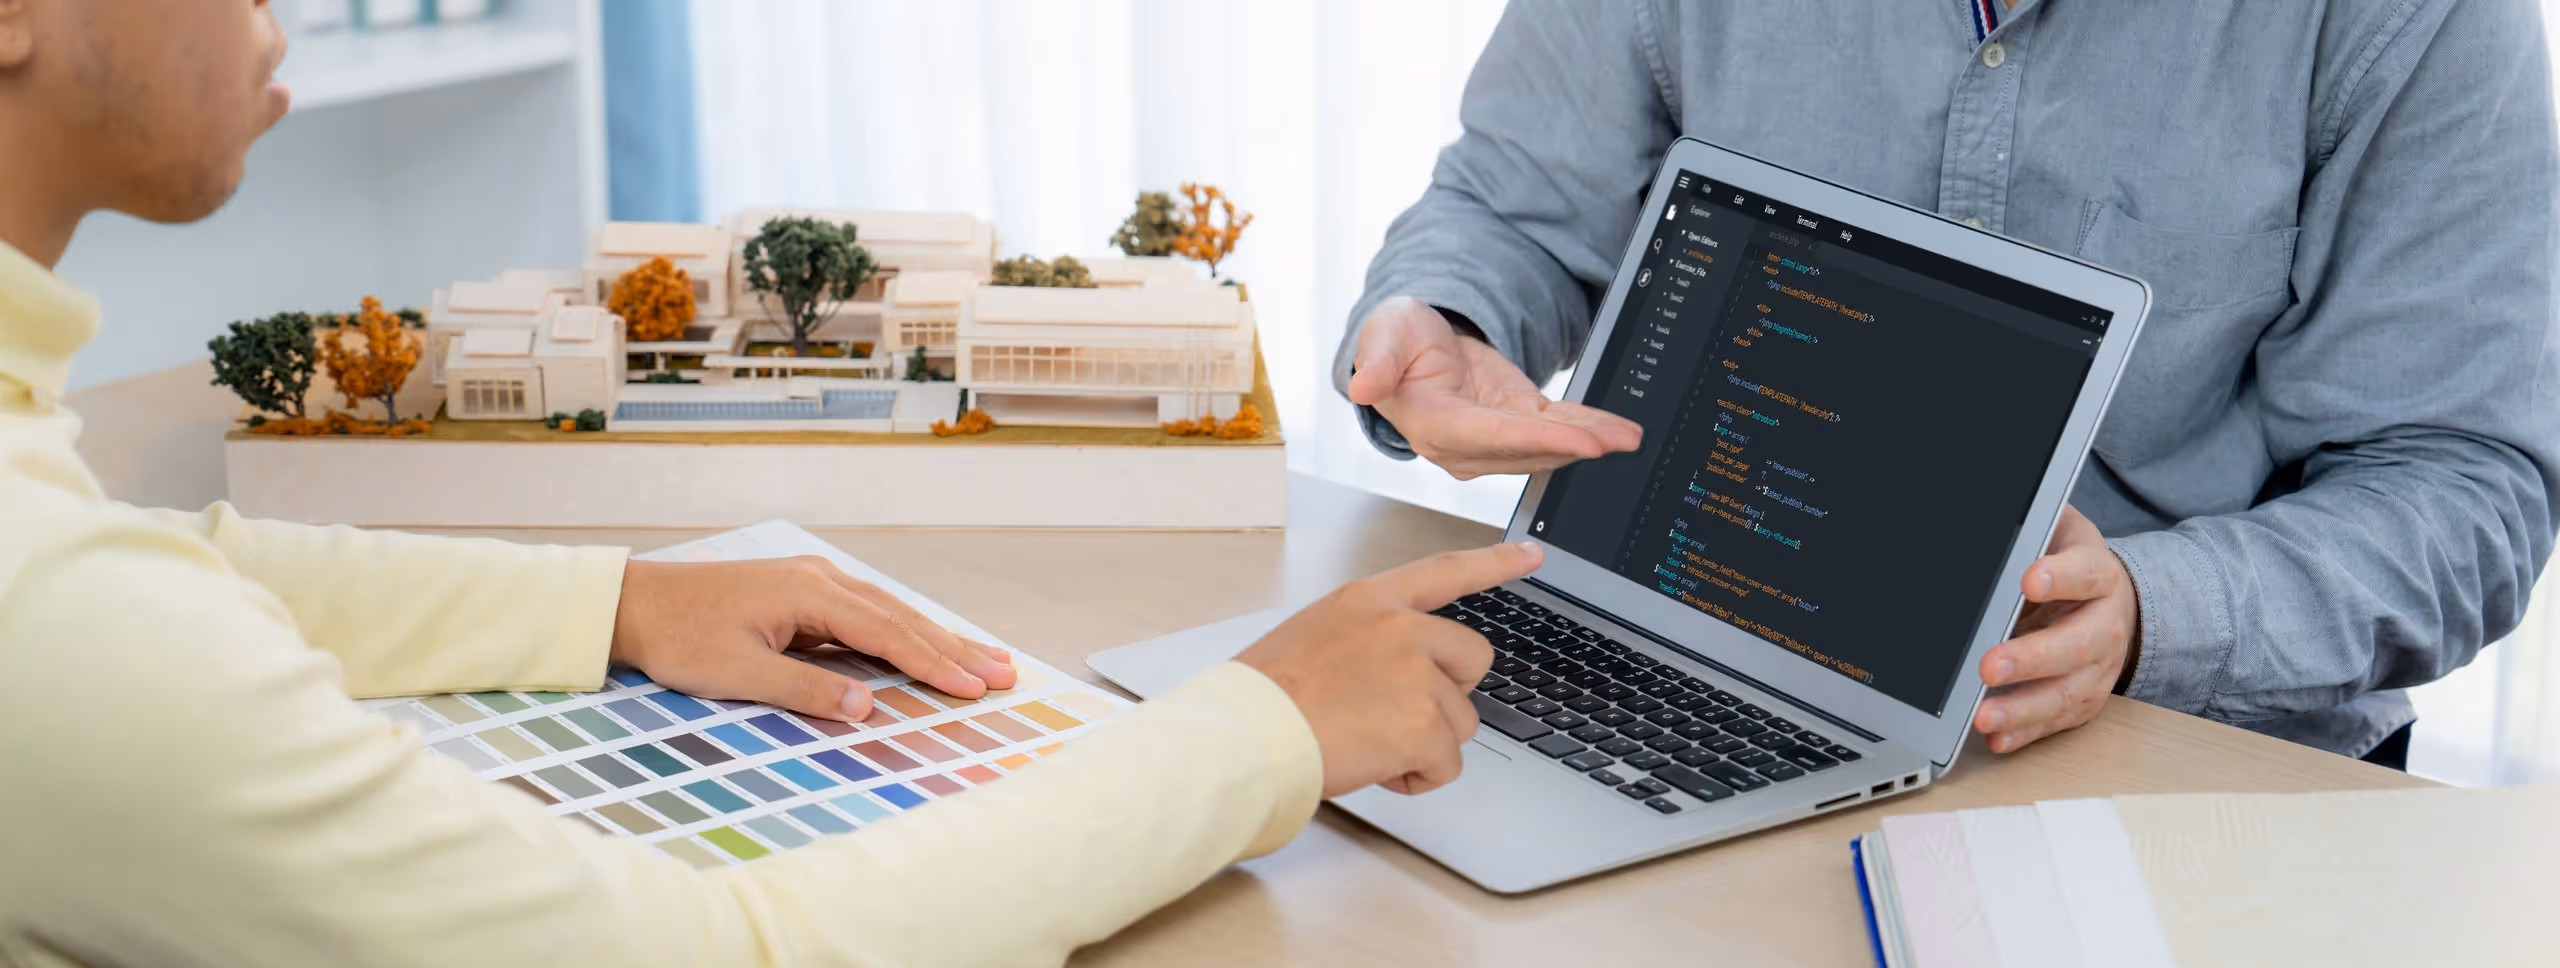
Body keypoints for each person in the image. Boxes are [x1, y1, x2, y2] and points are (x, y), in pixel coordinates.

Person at [0, 2, 1536, 965]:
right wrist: (1260, 730)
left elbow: (165, 566)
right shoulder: (50, 623)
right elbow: (724, 949)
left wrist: (619, 597)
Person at [1337, 0, 2560, 766]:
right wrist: (1445, 315)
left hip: (2184, 755)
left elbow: (2463, 485)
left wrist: (2148, 611)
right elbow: (1512, 212)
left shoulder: (2425, 16)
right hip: (1680, 661)